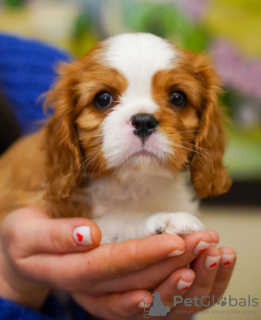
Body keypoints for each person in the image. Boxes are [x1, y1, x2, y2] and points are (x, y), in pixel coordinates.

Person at [0, 33, 236, 320]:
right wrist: (14, 284)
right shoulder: (60, 170)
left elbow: (160, 302)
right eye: (103, 100)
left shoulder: (36, 62)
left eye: (176, 98)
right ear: (67, 127)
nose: (144, 119)